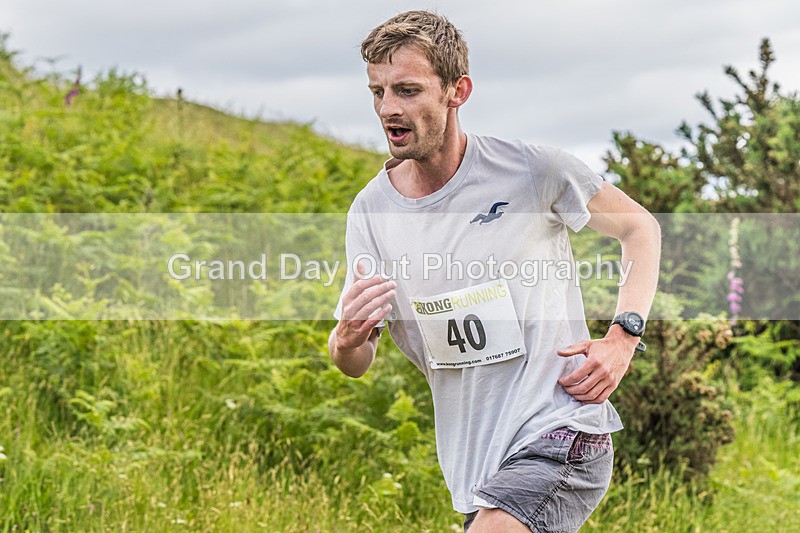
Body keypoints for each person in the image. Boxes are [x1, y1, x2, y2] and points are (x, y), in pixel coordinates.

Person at [328, 10, 661, 533]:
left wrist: (623, 336)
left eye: (408, 90)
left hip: (560, 427)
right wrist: (347, 337)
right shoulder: (371, 212)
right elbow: (354, 358)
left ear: (457, 91)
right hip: (475, 461)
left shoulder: (533, 172)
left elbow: (640, 228)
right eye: (378, 92)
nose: (388, 108)